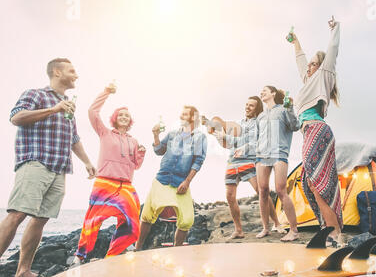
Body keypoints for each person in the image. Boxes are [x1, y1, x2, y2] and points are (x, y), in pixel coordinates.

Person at [0, 58, 96, 277]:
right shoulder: (36, 94)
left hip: (59, 168)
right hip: (35, 163)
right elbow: (16, 117)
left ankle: (23, 271)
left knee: (41, 219)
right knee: (18, 214)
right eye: (72, 70)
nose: (76, 75)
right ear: (57, 72)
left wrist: (87, 162)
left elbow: (74, 138)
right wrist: (53, 109)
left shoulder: (68, 103)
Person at [70, 83, 146, 265]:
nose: (124, 117)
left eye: (127, 116)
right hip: (104, 183)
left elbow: (136, 166)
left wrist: (141, 153)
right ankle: (79, 256)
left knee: (132, 225)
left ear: (130, 121)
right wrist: (106, 92)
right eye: (120, 114)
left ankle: (112, 257)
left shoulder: (133, 141)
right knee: (93, 221)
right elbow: (92, 112)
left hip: (125, 185)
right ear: (114, 118)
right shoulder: (105, 133)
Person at [289, 16, 343, 247]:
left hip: (318, 131)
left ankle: (335, 234)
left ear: (320, 66)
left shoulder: (323, 76)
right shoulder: (307, 82)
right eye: (310, 64)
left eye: (314, 63)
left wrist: (335, 29)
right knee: (308, 183)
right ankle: (328, 229)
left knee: (317, 182)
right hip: (307, 133)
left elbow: (332, 50)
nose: (309, 67)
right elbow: (300, 61)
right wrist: (296, 42)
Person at [212, 96, 287, 239]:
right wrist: (219, 136)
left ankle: (276, 223)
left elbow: (250, 142)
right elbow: (229, 144)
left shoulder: (257, 124)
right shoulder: (239, 123)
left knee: (261, 192)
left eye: (251, 106)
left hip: (249, 161)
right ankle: (238, 230)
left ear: (257, 109)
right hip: (232, 161)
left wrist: (228, 138)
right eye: (246, 105)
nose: (247, 107)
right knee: (229, 196)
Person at [135, 106, 207, 249]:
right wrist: (155, 136)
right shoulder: (173, 134)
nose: (181, 116)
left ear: (193, 118)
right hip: (161, 178)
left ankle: (177, 250)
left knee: (186, 219)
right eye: (181, 113)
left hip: (180, 181)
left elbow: (198, 161)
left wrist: (187, 181)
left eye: (185, 114)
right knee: (147, 215)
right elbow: (159, 150)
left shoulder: (199, 137)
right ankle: (138, 247)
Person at [256, 86, 301, 241]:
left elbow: (295, 126)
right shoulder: (260, 117)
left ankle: (294, 231)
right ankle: (265, 228)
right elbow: (257, 138)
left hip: (279, 153)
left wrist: (290, 108)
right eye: (261, 91)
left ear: (273, 93)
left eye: (265, 90)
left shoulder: (283, 109)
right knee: (262, 191)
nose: (262, 93)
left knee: (281, 190)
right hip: (261, 156)